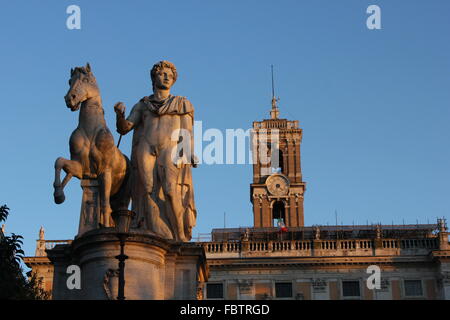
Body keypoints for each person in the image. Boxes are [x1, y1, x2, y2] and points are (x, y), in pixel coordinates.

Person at [114, 61, 197, 242]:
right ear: (154, 77)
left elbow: (186, 131)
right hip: (146, 147)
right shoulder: (143, 104)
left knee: (169, 190)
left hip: (170, 147)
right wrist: (119, 115)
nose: (166, 77)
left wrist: (189, 152)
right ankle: (151, 230)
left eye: (170, 74)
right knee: (146, 190)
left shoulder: (182, 103)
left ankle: (179, 235)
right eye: (162, 73)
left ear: (174, 79)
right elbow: (125, 128)